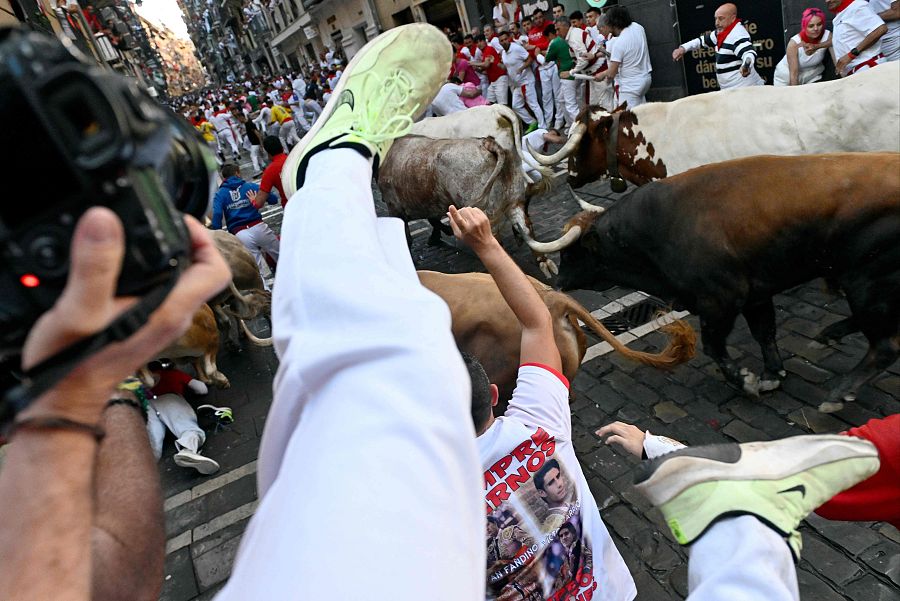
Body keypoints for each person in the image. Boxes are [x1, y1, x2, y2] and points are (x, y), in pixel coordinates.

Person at [449, 204, 637, 600]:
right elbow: (537, 321)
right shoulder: (540, 424)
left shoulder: (429, 504)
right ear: (495, 394)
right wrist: (485, 243)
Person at [145, 362, 220, 475]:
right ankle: (188, 449)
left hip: (147, 405)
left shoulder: (141, 382)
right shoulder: (172, 374)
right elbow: (201, 389)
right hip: (169, 399)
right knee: (187, 428)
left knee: (153, 440)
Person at [210, 163, 280, 279]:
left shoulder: (220, 194)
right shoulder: (250, 186)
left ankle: (265, 294)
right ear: (237, 173)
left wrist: (216, 232)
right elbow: (273, 199)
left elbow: (217, 214)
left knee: (258, 272)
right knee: (281, 256)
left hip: (240, 233)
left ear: (224, 178)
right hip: (259, 227)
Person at [673, 3, 765, 89]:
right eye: (715, 18)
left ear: (733, 18)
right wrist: (683, 48)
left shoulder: (737, 34)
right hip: (730, 90)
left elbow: (748, 53)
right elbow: (701, 41)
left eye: (721, 19)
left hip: (744, 89)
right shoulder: (720, 33)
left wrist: (746, 65)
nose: (716, 23)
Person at [594, 6, 653, 108]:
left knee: (626, 120)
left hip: (630, 86)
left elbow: (612, 73)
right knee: (642, 115)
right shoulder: (638, 27)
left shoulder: (619, 43)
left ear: (614, 23)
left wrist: (601, 75)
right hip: (645, 79)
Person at [500, 29, 547, 131]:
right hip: (517, 84)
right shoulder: (503, 53)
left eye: (505, 39)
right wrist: (496, 64)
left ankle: (543, 126)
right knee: (516, 106)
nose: (504, 42)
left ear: (508, 39)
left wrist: (521, 68)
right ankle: (533, 122)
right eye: (501, 41)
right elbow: (507, 67)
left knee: (533, 104)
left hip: (526, 81)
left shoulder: (516, 48)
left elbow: (529, 59)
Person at [774, 8, 833, 86]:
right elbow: (794, 75)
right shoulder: (794, 43)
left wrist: (816, 46)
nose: (816, 29)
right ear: (804, 26)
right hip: (787, 76)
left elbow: (834, 41)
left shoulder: (827, 35)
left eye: (819, 24)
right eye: (811, 26)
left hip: (812, 74)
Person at [827, 0, 887, 76]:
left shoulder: (857, 6)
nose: (827, 1)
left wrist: (851, 55)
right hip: (857, 72)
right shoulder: (841, 12)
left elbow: (880, 29)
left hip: (868, 68)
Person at [527, 9, 559, 130]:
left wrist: (536, 47)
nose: (539, 20)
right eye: (536, 18)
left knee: (558, 94)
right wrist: (537, 48)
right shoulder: (531, 32)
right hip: (541, 67)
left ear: (543, 16)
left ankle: (560, 120)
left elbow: (551, 44)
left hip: (553, 63)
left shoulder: (550, 25)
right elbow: (531, 51)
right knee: (546, 96)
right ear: (533, 20)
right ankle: (549, 121)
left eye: (540, 17)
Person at [544, 23, 579, 129]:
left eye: (558, 29)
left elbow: (546, 59)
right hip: (577, 72)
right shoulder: (573, 36)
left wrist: (537, 54)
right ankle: (570, 125)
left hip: (567, 75)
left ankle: (582, 129)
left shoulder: (555, 42)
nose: (557, 32)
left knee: (571, 105)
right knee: (561, 99)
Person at [474, 34, 509, 105]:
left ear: (485, 41)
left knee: (503, 105)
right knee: (488, 104)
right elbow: (484, 69)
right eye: (477, 42)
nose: (479, 44)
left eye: (480, 41)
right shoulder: (484, 52)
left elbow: (486, 64)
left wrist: (472, 63)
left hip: (500, 79)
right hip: (493, 82)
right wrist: (477, 69)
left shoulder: (489, 49)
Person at [255, 136, 288, 209]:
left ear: (268, 153)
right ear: (282, 147)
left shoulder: (269, 171)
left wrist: (252, 200)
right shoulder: (296, 158)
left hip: (290, 208)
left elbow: (259, 203)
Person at [232, 107, 264, 176]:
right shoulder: (247, 123)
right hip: (254, 142)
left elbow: (257, 133)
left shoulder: (249, 123)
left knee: (253, 155)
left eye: (239, 118)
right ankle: (263, 165)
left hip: (255, 142)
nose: (238, 120)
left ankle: (257, 170)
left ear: (242, 117)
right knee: (256, 154)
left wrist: (261, 144)